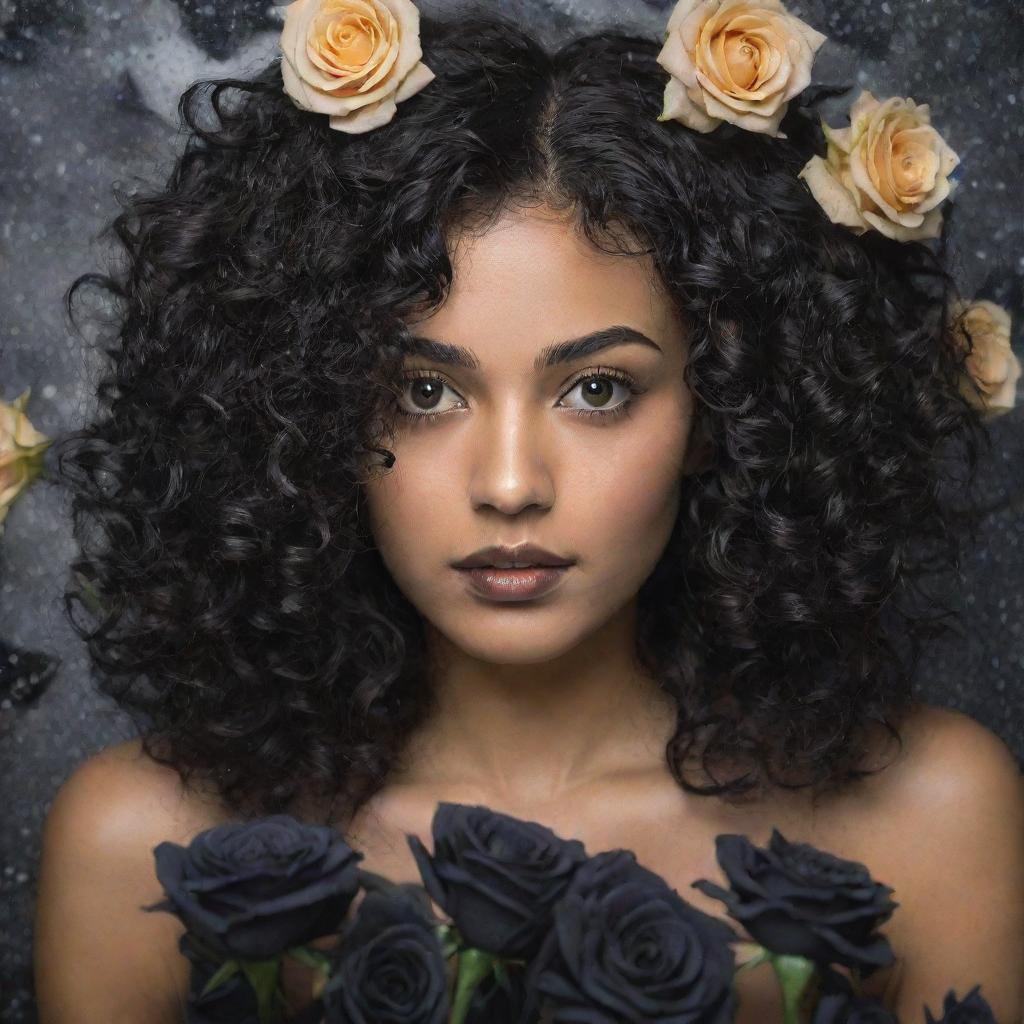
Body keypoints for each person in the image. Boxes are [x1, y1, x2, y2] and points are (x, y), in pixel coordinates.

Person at [32, 3, 1024, 1022]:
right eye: (424, 392)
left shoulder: (928, 823)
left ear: (731, 407)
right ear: (300, 409)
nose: (510, 484)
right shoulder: (137, 850)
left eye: (597, 390)